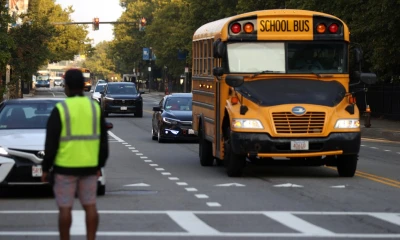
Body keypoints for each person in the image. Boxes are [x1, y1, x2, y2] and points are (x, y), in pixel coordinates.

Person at [41, 69, 109, 240]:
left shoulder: (61, 109)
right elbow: (103, 141)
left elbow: (51, 144)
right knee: (90, 206)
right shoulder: (94, 108)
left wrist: (45, 168)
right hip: (89, 167)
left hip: (65, 168)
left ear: (67, 86)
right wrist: (99, 166)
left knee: (65, 208)